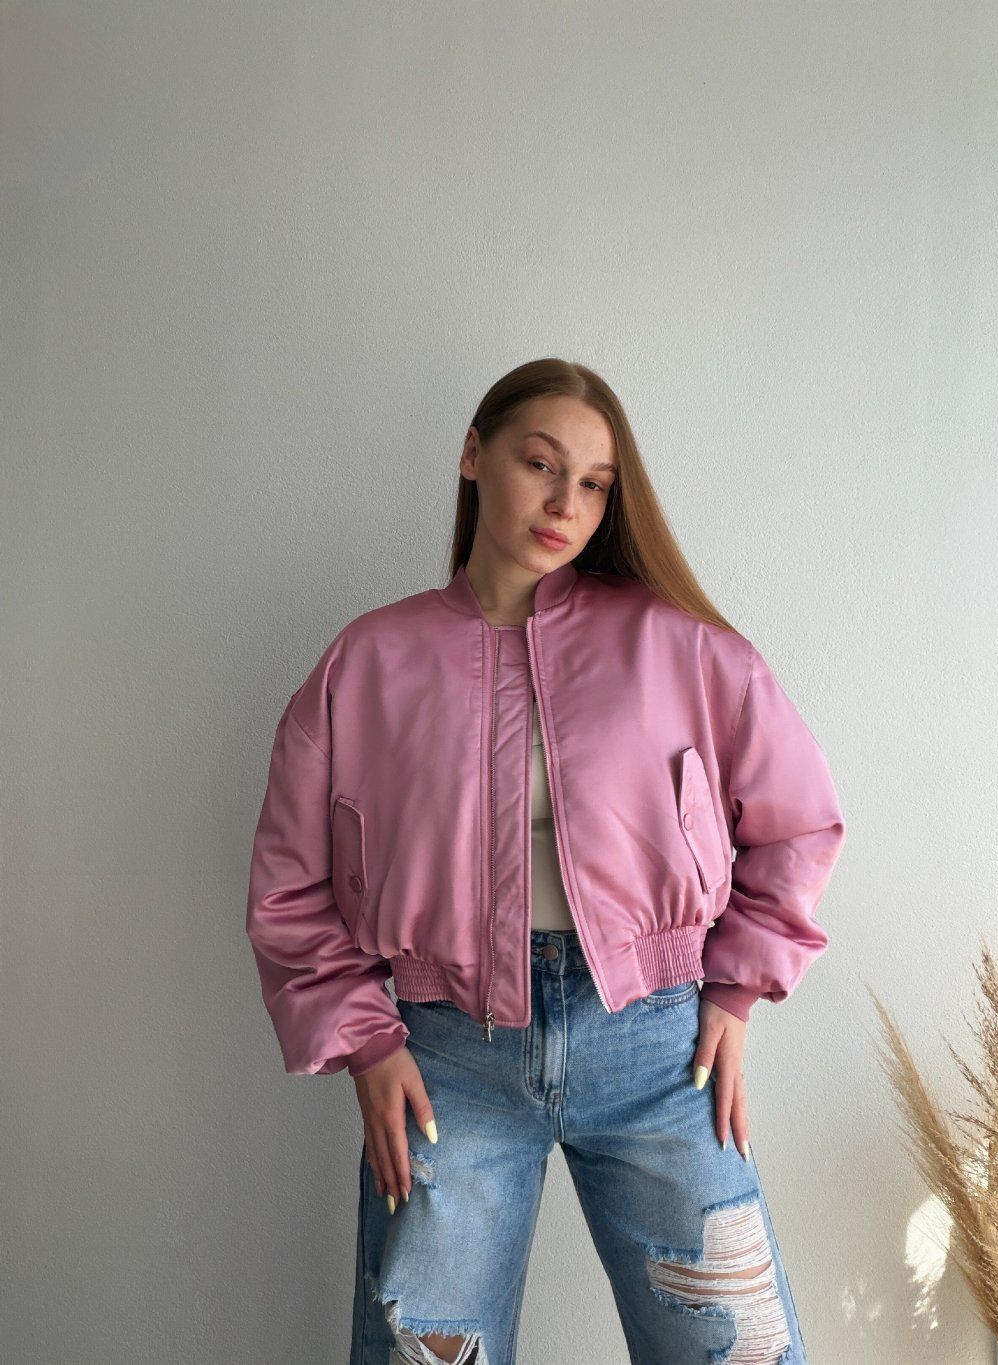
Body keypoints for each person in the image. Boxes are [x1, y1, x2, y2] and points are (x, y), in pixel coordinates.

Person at [246, 358, 846, 1364]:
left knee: (736, 1348)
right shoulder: (368, 662)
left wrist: (737, 992)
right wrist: (367, 1043)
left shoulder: (678, 647)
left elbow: (797, 822)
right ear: (473, 455)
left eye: (595, 483)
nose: (567, 503)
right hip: (447, 1061)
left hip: (658, 1047)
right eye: (540, 464)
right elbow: (289, 884)